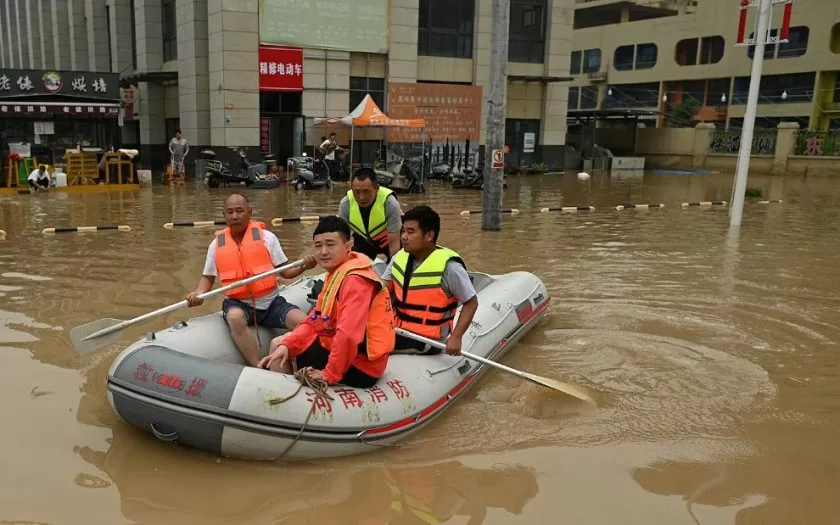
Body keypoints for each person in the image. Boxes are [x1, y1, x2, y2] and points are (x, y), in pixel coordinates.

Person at [259, 216, 395, 388]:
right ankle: (288, 388)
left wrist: (330, 373)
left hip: (362, 365)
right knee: (282, 344)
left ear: (348, 246)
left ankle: (286, 398)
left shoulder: (355, 281)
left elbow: (348, 335)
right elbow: (315, 320)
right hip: (352, 354)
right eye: (318, 245)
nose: (323, 251)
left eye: (330, 244)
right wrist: (289, 344)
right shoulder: (337, 273)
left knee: (279, 344)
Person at [186, 194, 317, 367]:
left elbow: (285, 272)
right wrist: (199, 294)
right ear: (224, 215)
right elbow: (208, 278)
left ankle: (307, 362)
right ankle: (257, 365)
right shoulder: (215, 245)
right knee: (234, 317)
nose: (234, 216)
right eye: (230, 212)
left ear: (250, 212)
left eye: (239, 211)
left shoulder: (267, 238)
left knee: (304, 322)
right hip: (238, 303)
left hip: (271, 302)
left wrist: (303, 267)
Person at [381, 205, 478, 356]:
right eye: (403, 231)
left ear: (429, 236)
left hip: (427, 339)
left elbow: (471, 303)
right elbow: (382, 290)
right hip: (397, 329)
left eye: (410, 232)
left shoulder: (450, 267)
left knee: (368, 344)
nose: (404, 237)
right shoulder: (399, 257)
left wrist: (456, 337)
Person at [338, 168, 402, 261]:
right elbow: (343, 240)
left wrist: (393, 271)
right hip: (363, 240)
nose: (361, 197)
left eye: (366, 191)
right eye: (357, 192)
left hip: (386, 239)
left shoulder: (390, 203)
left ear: (376, 189)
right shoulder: (345, 204)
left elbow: (394, 245)